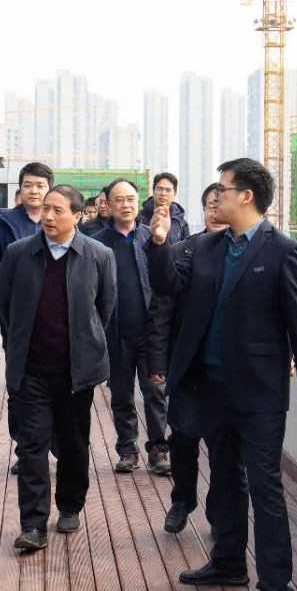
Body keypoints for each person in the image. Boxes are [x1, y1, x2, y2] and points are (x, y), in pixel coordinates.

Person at [147, 158, 297, 591]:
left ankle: (275, 587)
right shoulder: (205, 246)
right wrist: (159, 243)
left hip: (259, 391)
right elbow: (168, 284)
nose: (216, 197)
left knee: (265, 487)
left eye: (223, 189)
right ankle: (228, 563)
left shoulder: (284, 251)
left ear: (246, 196)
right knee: (225, 479)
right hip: (210, 387)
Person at [0, 184, 116, 551]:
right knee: (31, 446)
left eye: (58, 210)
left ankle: (69, 505)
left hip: (76, 372)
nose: (48, 216)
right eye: (46, 208)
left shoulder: (99, 255)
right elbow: (7, 306)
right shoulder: (19, 253)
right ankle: (33, 524)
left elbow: (104, 310)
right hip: (31, 368)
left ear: (77, 216)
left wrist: (82, 344)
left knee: (73, 443)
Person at [145, 182, 228, 532]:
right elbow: (160, 311)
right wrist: (157, 362)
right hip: (187, 368)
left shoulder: (246, 255)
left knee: (224, 448)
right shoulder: (182, 251)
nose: (217, 212)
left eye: (222, 205)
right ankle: (182, 499)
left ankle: (219, 511)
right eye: (210, 206)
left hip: (227, 372)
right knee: (182, 437)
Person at [0, 161, 54, 474]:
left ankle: (52, 442)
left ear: (49, 189)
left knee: (57, 383)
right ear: (20, 189)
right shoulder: (4, 223)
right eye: (28, 185)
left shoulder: (58, 219)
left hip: (56, 319)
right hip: (16, 319)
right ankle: (26, 448)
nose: (34, 191)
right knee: (19, 384)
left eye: (40, 185)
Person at [90, 178, 169, 475]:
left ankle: (159, 448)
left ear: (139, 203)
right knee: (121, 395)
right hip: (115, 333)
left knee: (155, 393)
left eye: (131, 199)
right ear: (108, 206)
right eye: (119, 200)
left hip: (151, 334)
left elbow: (167, 283)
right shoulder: (97, 243)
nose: (126, 205)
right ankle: (127, 447)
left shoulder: (154, 237)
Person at [139, 172, 190, 245]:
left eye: (168, 190)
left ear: (175, 193)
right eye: (159, 189)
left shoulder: (181, 223)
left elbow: (186, 248)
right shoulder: (139, 218)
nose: (163, 193)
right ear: (153, 191)